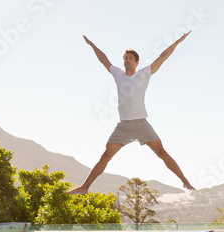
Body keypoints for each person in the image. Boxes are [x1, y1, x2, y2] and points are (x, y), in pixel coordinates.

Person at [68, 33, 195, 194]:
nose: (126, 60)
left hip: (141, 124)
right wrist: (91, 44)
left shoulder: (144, 73)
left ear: (136, 62)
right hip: (124, 126)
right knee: (106, 155)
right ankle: (84, 187)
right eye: (125, 58)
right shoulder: (117, 74)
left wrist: (178, 41)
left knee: (162, 153)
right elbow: (103, 59)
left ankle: (185, 182)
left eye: (129, 58)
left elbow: (163, 56)